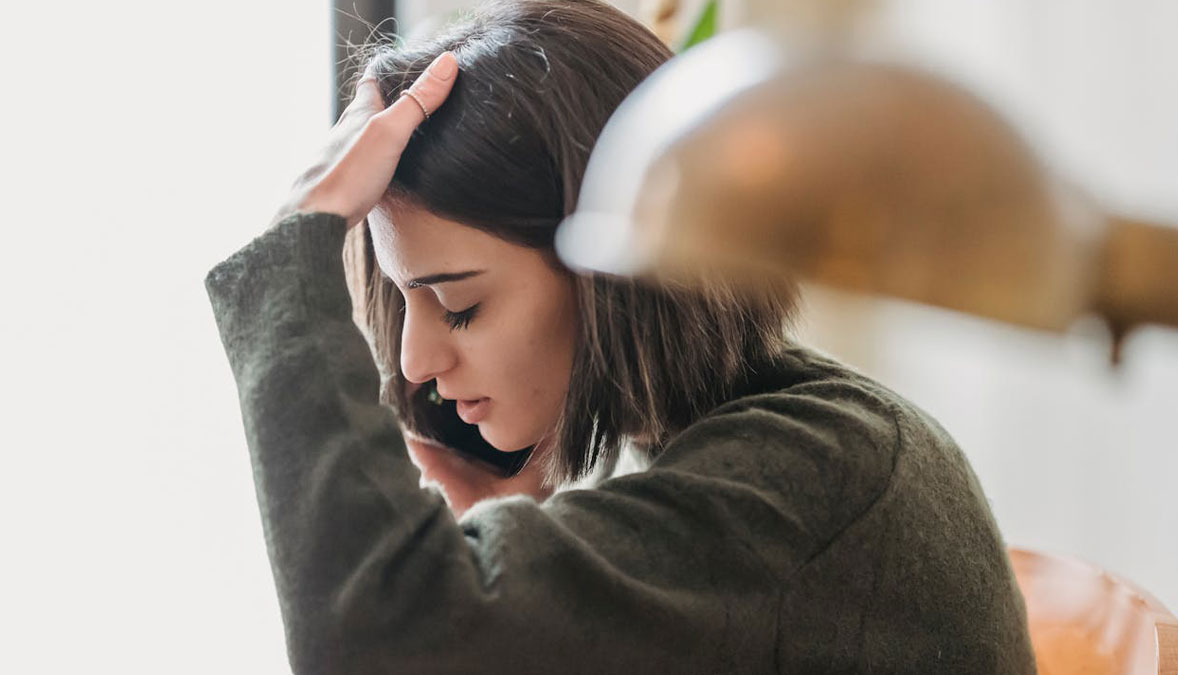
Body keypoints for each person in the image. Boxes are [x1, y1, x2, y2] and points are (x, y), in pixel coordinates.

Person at [204, 1, 1036, 673]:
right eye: (405, 300)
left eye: (460, 306)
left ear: (608, 277)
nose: (415, 362)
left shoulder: (820, 475)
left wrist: (290, 255)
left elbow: (378, 637)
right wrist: (522, 553)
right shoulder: (710, 441)